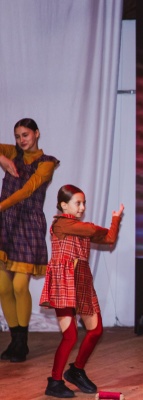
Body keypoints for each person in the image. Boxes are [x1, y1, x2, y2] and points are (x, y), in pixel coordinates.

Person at [39, 185, 123, 398]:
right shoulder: (62, 223)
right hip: (64, 281)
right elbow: (92, 231)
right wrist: (100, 228)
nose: (82, 207)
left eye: (84, 203)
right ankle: (55, 382)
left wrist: (115, 219)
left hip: (82, 279)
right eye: (78, 203)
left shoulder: (79, 227)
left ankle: (76, 370)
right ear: (63, 205)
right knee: (70, 335)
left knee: (96, 330)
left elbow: (109, 238)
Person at [0, 118, 59, 363]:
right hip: (5, 224)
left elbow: (26, 191)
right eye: (17, 136)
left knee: (19, 286)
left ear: (36, 133)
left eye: (25, 134)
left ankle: (22, 342)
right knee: (3, 287)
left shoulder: (47, 163)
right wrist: (2, 158)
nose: (21, 140)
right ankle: (15, 341)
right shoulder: (12, 153)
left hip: (28, 225)